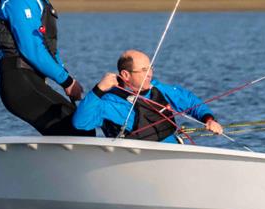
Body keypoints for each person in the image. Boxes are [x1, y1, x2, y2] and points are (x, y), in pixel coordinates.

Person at [0, 0, 90, 136]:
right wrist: (66, 81)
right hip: (18, 82)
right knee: (76, 126)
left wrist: (67, 80)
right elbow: (32, 49)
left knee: (81, 123)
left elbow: (49, 51)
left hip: (32, 81)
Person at [73, 49, 224, 141]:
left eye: (151, 68)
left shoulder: (157, 89)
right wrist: (98, 89)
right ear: (126, 75)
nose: (150, 74)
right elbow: (80, 123)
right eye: (144, 70)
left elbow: (190, 101)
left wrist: (209, 120)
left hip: (173, 154)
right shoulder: (109, 102)